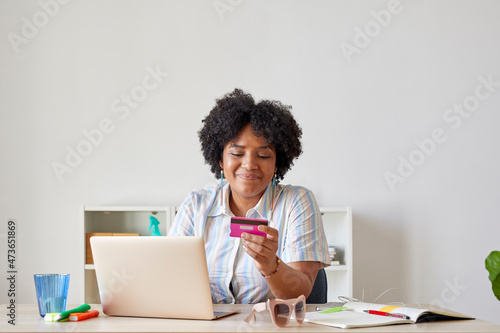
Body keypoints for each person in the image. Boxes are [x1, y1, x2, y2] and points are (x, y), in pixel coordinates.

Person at [168, 89, 330, 304]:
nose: (249, 165)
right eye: (236, 153)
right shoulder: (196, 204)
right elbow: (169, 276)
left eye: (263, 155)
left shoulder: (296, 201)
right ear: (219, 159)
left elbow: (300, 292)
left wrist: (271, 265)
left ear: (277, 163)